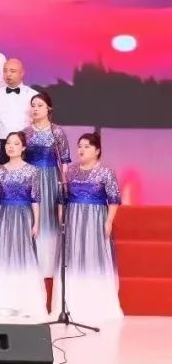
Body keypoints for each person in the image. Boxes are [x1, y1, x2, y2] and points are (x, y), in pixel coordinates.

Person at [52, 132, 123, 323]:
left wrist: (108, 221)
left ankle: (95, 303)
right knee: (73, 256)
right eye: (79, 146)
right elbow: (62, 197)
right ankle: (71, 303)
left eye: (87, 146)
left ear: (97, 150)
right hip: (73, 218)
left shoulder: (106, 172)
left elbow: (114, 199)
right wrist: (62, 216)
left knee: (93, 256)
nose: (81, 150)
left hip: (95, 218)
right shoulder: (70, 171)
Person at [0, 131, 45, 318]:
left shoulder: (32, 171)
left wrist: (36, 222)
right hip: (4, 216)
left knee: (23, 256)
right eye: (8, 143)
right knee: (3, 256)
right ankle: (3, 303)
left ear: (23, 148)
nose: (11, 146)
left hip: (24, 216)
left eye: (16, 144)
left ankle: (24, 303)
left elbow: (35, 199)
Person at [22, 92, 70, 278]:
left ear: (48, 109)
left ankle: (50, 264)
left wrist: (63, 184)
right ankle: (31, 263)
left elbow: (64, 159)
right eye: (33, 105)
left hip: (50, 178)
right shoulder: (25, 132)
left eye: (39, 105)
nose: (35, 109)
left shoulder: (56, 131)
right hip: (30, 179)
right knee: (31, 218)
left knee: (49, 218)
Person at [0, 58, 37, 162]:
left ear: (22, 73)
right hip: (1, 144)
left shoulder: (33, 95)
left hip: (27, 143)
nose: (8, 74)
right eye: (5, 71)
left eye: (12, 71)